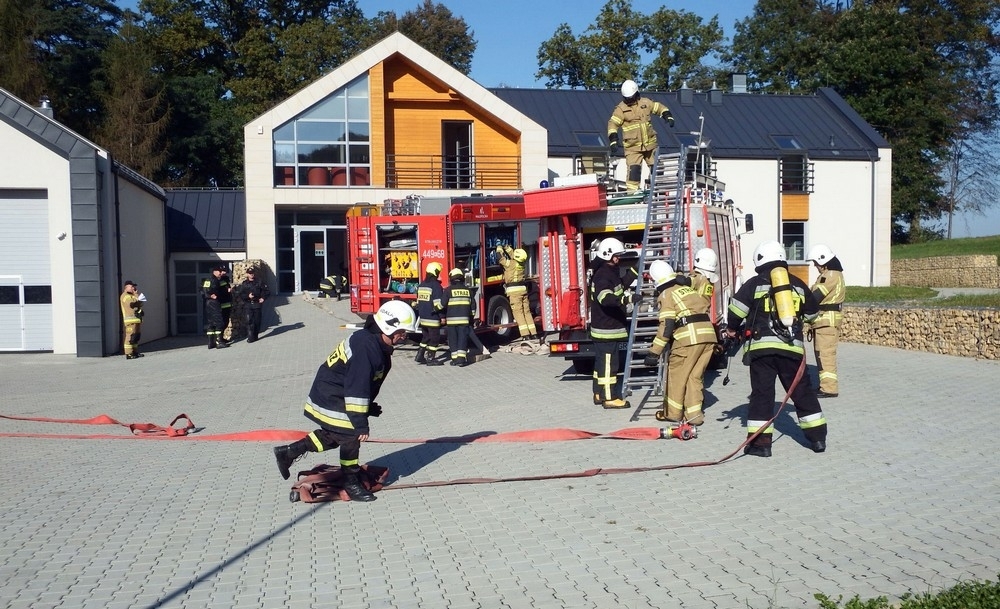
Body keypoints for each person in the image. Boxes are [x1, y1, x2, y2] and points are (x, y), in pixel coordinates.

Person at [272, 300, 419, 501]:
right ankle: (351, 483)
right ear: (388, 327)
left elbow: (362, 384)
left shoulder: (372, 342)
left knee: (333, 436)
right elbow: (357, 388)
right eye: (402, 332)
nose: (404, 337)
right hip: (332, 396)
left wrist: (367, 407)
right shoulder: (367, 348)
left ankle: (288, 452)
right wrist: (360, 423)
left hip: (334, 392)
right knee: (351, 436)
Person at [725, 241, 828, 457]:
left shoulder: (755, 283)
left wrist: (732, 329)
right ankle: (817, 439)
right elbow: (812, 315)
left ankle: (760, 445)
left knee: (762, 394)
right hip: (792, 349)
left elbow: (736, 311)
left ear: (760, 259)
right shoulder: (798, 284)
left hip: (762, 351)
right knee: (802, 392)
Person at [643, 261, 717, 426]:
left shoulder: (666, 293)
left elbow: (667, 324)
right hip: (708, 337)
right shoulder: (687, 289)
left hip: (688, 339)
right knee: (694, 377)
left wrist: (654, 352)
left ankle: (673, 414)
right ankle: (694, 416)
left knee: (677, 377)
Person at [589, 237, 637, 409]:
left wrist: (634, 272)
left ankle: (598, 393)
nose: (618, 258)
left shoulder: (608, 271)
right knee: (610, 365)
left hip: (603, 328)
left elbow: (619, 286)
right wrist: (626, 300)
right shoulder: (603, 275)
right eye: (616, 256)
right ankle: (609, 398)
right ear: (607, 255)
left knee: (601, 364)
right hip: (607, 328)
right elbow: (605, 298)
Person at [607, 79, 675, 193]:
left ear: (636, 94)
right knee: (634, 172)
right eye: (626, 98)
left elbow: (658, 107)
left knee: (657, 168)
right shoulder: (621, 109)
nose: (629, 100)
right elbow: (612, 124)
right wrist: (613, 140)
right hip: (632, 148)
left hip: (650, 145)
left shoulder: (645, 103)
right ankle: (632, 194)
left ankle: (657, 190)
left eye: (630, 98)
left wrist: (667, 115)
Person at [806, 244, 846, 397]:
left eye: (815, 262)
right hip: (825, 322)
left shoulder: (830, 275)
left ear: (823, 260)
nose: (815, 266)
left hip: (826, 323)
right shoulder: (833, 274)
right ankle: (825, 386)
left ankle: (829, 388)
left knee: (825, 355)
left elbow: (816, 296)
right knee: (822, 354)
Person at [496, 244, 539, 342]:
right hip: (523, 291)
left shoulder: (510, 264)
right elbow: (514, 256)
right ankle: (534, 333)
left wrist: (499, 248)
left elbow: (500, 258)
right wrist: (507, 248)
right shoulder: (522, 263)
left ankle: (525, 335)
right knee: (527, 312)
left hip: (514, 293)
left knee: (518, 313)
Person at [414, 262, 445, 366]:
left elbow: (418, 302)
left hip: (423, 318)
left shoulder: (421, 285)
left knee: (426, 337)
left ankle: (419, 356)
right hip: (432, 318)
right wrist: (442, 317)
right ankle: (431, 359)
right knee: (434, 339)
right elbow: (438, 304)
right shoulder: (436, 286)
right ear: (435, 272)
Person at [442, 268, 475, 367]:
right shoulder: (468, 290)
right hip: (464, 321)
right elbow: (473, 306)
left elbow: (442, 304)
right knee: (462, 339)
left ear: (451, 278)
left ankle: (455, 359)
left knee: (453, 340)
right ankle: (461, 359)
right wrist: (471, 318)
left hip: (451, 322)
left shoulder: (448, 290)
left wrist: (434, 309)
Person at [237, 267, 270, 343]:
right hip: (248, 304)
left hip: (257, 304)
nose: (251, 275)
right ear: (247, 274)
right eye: (250, 273)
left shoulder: (259, 282)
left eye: (252, 273)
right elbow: (241, 294)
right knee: (249, 321)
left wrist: (263, 298)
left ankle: (255, 335)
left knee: (257, 321)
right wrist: (247, 296)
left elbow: (267, 291)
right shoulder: (245, 283)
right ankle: (250, 337)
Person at [202, 265, 232, 349]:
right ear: (214, 271)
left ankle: (211, 343)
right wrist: (225, 291)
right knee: (219, 322)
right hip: (214, 303)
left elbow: (204, 291)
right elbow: (215, 292)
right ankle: (219, 342)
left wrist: (208, 296)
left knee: (211, 323)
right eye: (219, 271)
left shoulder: (208, 280)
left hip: (209, 303)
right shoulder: (214, 280)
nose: (221, 273)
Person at [120, 280, 144, 360]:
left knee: (136, 337)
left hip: (137, 319)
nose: (133, 288)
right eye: (131, 286)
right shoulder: (125, 296)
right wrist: (137, 299)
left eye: (134, 286)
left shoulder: (133, 295)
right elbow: (132, 304)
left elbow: (140, 303)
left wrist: (136, 295)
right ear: (126, 287)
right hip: (130, 321)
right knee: (130, 337)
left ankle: (135, 352)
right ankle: (129, 353)